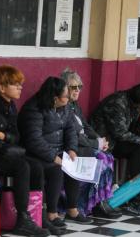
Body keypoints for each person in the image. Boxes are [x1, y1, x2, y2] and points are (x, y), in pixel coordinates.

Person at [0, 65, 52, 236]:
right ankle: (22, 219)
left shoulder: (11, 106)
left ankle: (37, 215)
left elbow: (17, 136)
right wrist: (6, 141)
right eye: (15, 84)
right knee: (22, 167)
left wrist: (3, 136)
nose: (20, 87)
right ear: (1, 87)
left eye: (20, 84)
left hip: (9, 151)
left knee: (36, 166)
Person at [18, 77, 92, 227]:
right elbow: (34, 140)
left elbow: (71, 129)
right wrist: (53, 157)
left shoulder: (65, 107)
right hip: (36, 154)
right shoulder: (34, 109)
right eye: (66, 95)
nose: (69, 97)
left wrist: (72, 149)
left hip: (59, 151)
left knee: (74, 165)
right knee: (56, 169)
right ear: (55, 98)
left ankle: (72, 209)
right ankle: (52, 213)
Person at [90, 83, 140, 214]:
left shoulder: (134, 105)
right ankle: (133, 198)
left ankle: (135, 195)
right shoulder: (118, 103)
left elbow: (137, 135)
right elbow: (120, 133)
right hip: (103, 143)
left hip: (115, 142)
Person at [60, 69, 121, 219]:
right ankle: (92, 203)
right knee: (102, 159)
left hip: (82, 144)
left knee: (107, 155)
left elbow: (86, 127)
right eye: (73, 87)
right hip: (71, 148)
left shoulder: (75, 105)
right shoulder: (63, 106)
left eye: (79, 86)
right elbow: (72, 135)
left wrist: (100, 139)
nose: (77, 90)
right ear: (64, 88)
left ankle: (100, 200)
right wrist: (96, 144)